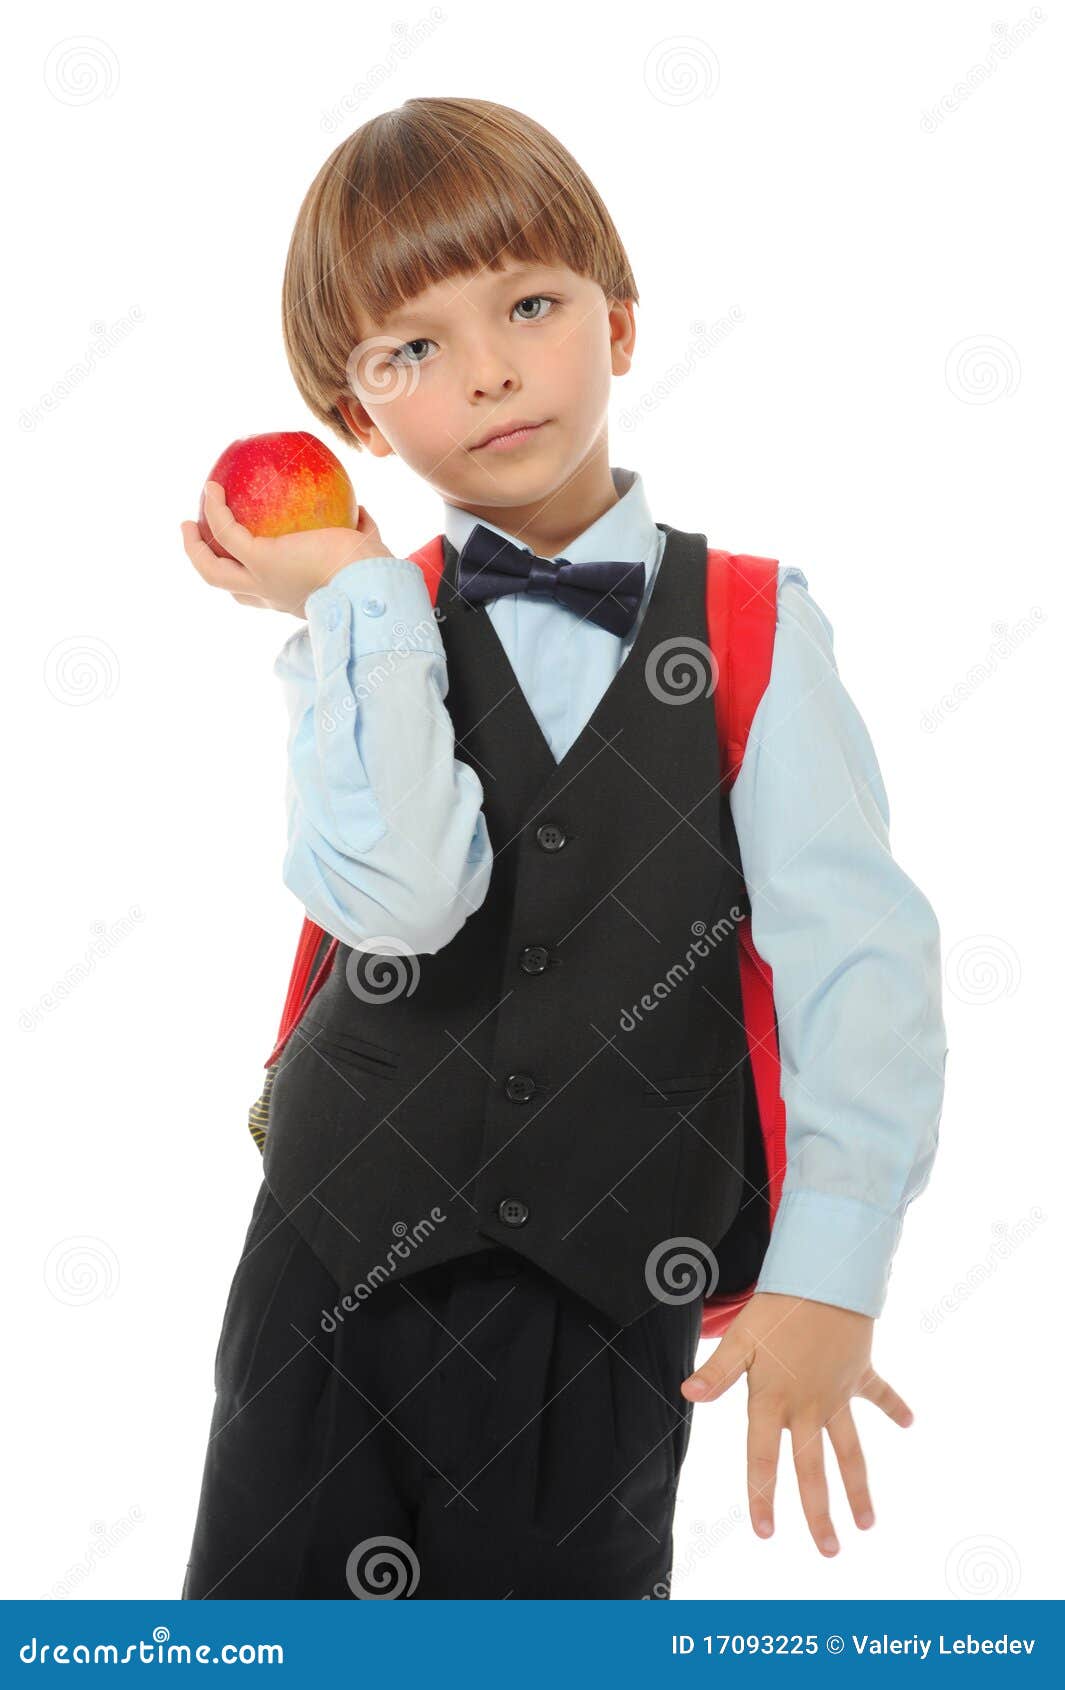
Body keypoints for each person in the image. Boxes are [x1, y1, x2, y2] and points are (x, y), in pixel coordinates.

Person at [179, 96, 946, 1599]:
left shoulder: (748, 622)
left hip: (608, 1285)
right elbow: (403, 895)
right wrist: (354, 603)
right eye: (412, 350)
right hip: (325, 1266)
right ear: (354, 418)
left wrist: (826, 1269)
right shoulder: (356, 633)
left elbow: (860, 956)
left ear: (621, 319)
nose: (489, 370)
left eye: (527, 305)